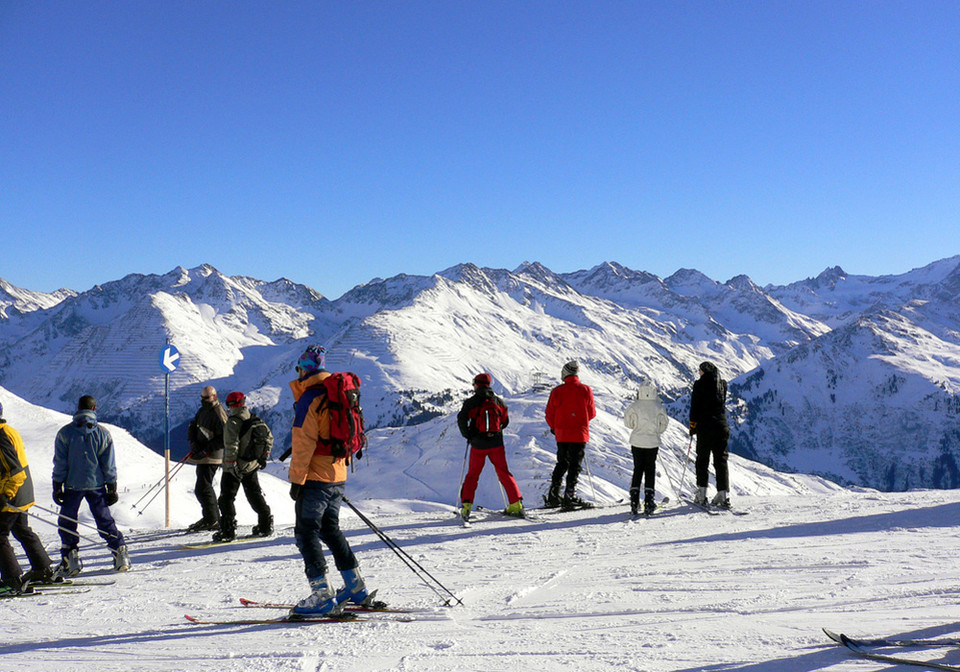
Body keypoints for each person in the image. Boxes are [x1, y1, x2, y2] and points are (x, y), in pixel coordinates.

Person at [288, 345, 373, 616]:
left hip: (315, 475)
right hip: (338, 473)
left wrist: (296, 479)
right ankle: (355, 586)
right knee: (330, 530)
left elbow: (303, 442)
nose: (298, 374)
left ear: (305, 369)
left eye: (299, 369)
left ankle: (322, 595)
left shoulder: (310, 398)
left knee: (306, 532)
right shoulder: (337, 393)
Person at [52, 395, 131, 576]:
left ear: (78, 409)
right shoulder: (103, 433)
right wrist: (112, 486)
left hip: (72, 485)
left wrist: (57, 485)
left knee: (67, 522)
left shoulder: (65, 433)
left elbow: (60, 463)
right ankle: (120, 554)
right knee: (104, 520)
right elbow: (108, 464)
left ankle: (70, 559)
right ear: (94, 409)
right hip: (97, 485)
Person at [0, 402, 55, 592]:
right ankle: (43, 569)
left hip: (12, 493)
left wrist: (5, 494)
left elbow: (15, 472)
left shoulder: (0, 437)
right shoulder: (8, 430)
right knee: (22, 529)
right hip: (23, 492)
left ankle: (12, 580)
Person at [456, 373, 524, 520]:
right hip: (497, 444)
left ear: (477, 384)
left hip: (478, 444)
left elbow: (461, 418)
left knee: (472, 476)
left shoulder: (471, 402)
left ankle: (466, 507)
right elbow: (505, 422)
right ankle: (516, 504)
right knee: (504, 473)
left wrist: (468, 434)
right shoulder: (499, 402)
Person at [213, 391, 274, 542]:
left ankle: (227, 530)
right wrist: (263, 458)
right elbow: (269, 438)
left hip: (234, 466)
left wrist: (230, 464)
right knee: (254, 494)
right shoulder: (256, 419)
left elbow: (231, 445)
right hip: (252, 464)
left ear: (230, 405)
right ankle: (265, 524)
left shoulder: (233, 422)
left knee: (226, 498)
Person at [544, 360, 596, 509]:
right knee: (575, 465)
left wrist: (555, 427)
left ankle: (553, 496)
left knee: (561, 463)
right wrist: (581, 419)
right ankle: (569, 495)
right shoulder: (585, 390)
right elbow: (591, 413)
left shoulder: (557, 391)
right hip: (579, 433)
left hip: (562, 434)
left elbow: (549, 413)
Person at [623, 382, 670, 515]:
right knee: (650, 469)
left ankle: (634, 500)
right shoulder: (658, 406)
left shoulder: (634, 406)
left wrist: (636, 428)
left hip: (637, 441)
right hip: (652, 442)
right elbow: (663, 424)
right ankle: (649, 501)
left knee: (638, 469)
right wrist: (655, 431)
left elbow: (628, 423)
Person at [689, 361, 731, 508]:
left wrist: (692, 425)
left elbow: (695, 406)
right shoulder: (722, 385)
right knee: (721, 460)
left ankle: (701, 494)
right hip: (722, 426)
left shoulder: (699, 385)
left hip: (705, 427)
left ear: (704, 371)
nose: (698, 373)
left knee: (702, 460)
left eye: (700, 370)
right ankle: (723, 494)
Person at [186, 385, 227, 532]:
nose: (204, 400)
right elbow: (194, 425)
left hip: (212, 456)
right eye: (203, 398)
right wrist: (193, 441)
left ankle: (212, 519)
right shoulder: (203, 410)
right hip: (202, 454)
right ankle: (211, 517)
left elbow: (224, 437)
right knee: (202, 487)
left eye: (207, 398)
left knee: (203, 487)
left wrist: (205, 448)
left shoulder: (218, 412)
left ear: (214, 397)